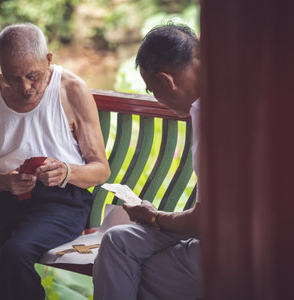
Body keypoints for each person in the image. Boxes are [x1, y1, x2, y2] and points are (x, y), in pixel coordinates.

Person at [0, 23, 110, 300]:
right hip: (6, 198)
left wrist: (67, 171)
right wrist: (2, 181)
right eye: (13, 77)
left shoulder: (71, 89)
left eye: (33, 75)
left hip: (62, 201)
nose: (25, 87)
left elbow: (101, 169)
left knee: (16, 252)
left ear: (49, 59)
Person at [93, 23, 202, 300]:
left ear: (167, 81)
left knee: (133, 272)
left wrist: (153, 217)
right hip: (211, 228)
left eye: (152, 90)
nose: (156, 98)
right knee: (118, 241)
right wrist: (155, 218)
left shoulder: (215, 114)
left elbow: (205, 222)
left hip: (240, 245)